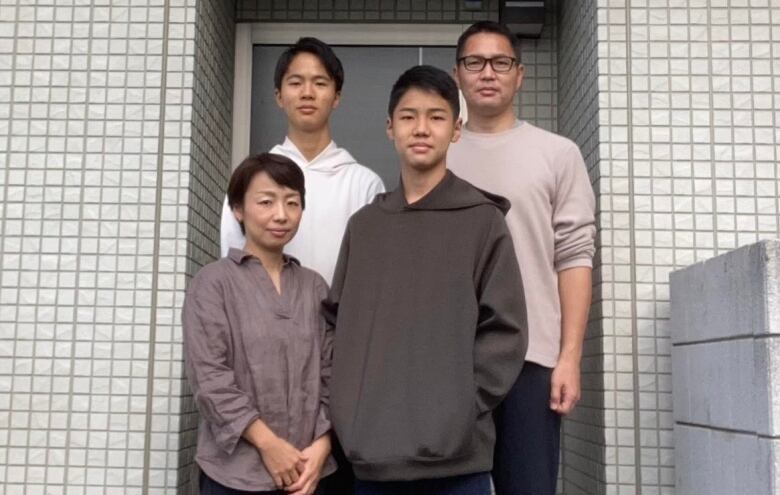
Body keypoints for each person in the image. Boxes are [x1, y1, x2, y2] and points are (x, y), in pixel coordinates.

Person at [323, 65, 528, 495]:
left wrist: (457, 409)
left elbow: (505, 332)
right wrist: (347, 412)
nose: (421, 128)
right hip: (371, 460)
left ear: (456, 130)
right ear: (389, 127)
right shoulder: (365, 227)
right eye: (408, 116)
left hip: (458, 464)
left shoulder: (483, 221)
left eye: (436, 117)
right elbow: (335, 325)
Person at [448, 21, 597, 495]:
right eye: (475, 62)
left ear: (520, 74)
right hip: (447, 358)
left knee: (528, 486)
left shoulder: (558, 154)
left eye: (501, 62)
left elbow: (574, 257)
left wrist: (568, 357)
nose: (487, 73)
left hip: (532, 357)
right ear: (458, 74)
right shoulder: (435, 152)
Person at [184, 153, 335, 495]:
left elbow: (334, 372)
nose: (281, 215)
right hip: (234, 475)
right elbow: (210, 379)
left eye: (292, 203)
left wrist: (323, 445)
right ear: (238, 208)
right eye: (266, 202)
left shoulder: (315, 287)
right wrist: (270, 445)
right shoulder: (213, 283)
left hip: (310, 474)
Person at [221, 37, 385, 284]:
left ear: (336, 97)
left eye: (320, 83)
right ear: (279, 96)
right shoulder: (251, 180)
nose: (307, 93)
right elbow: (232, 264)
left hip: (342, 322)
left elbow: (374, 274)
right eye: (296, 83)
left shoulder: (365, 185)